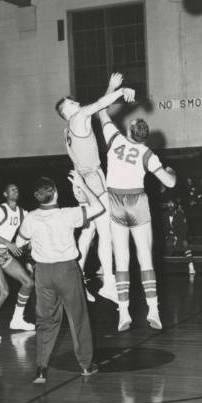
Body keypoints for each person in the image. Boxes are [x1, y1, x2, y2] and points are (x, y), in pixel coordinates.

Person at [98, 91, 177, 332]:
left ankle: (123, 314)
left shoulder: (115, 139)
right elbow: (171, 183)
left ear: (130, 132)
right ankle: (153, 311)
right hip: (137, 202)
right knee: (145, 259)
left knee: (122, 260)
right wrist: (172, 172)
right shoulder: (147, 154)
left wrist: (114, 91)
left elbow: (101, 110)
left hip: (115, 200)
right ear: (144, 137)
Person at [16, 172, 103, 384]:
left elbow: (19, 244)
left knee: (45, 321)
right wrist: (82, 185)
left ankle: (41, 370)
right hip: (66, 271)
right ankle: (85, 366)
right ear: (55, 192)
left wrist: (34, 246)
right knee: (78, 318)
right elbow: (99, 207)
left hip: (43, 273)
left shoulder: (30, 218)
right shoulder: (68, 214)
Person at [55, 73, 132, 304]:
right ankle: (108, 283)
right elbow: (99, 105)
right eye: (70, 102)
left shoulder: (68, 129)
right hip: (92, 180)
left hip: (81, 181)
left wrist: (110, 87)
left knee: (88, 233)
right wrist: (121, 91)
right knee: (105, 231)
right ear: (66, 111)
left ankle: (76, 281)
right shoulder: (77, 117)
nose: (75, 101)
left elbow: (99, 110)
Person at [0, 184, 35, 341]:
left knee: (28, 283)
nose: (15, 191)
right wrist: (9, 243)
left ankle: (17, 320)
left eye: (17, 189)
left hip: (3, 253)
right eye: (11, 189)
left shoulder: (23, 213)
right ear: (5, 194)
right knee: (3, 292)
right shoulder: (0, 210)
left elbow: (31, 230)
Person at [161, 197, 195, 275]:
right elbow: (162, 228)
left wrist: (176, 236)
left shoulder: (180, 214)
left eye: (172, 203)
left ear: (175, 204)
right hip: (168, 237)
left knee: (185, 243)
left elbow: (184, 228)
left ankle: (191, 265)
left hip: (179, 237)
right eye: (168, 203)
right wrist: (167, 235)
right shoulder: (164, 215)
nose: (170, 205)